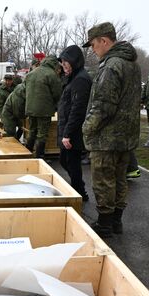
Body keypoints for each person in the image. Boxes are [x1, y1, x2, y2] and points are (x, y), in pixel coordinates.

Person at [82, 22, 141, 238]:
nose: (93, 50)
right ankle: (116, 221)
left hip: (107, 137)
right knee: (119, 178)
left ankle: (105, 224)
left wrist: (87, 128)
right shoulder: (131, 64)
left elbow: (104, 104)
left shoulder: (112, 65)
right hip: (125, 136)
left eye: (94, 45)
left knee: (103, 180)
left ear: (104, 41)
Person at [57, 45, 92, 202]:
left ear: (74, 62)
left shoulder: (81, 80)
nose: (64, 67)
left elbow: (78, 110)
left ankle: (79, 193)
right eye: (62, 64)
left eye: (66, 64)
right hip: (69, 129)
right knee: (66, 161)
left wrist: (67, 134)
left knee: (72, 163)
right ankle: (79, 190)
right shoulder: (74, 78)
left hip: (73, 132)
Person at [24, 55, 63, 159]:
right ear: (54, 64)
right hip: (44, 110)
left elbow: (24, 89)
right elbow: (57, 94)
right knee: (42, 134)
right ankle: (39, 157)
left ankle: (27, 153)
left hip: (30, 109)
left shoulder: (31, 74)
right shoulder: (52, 75)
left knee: (32, 131)